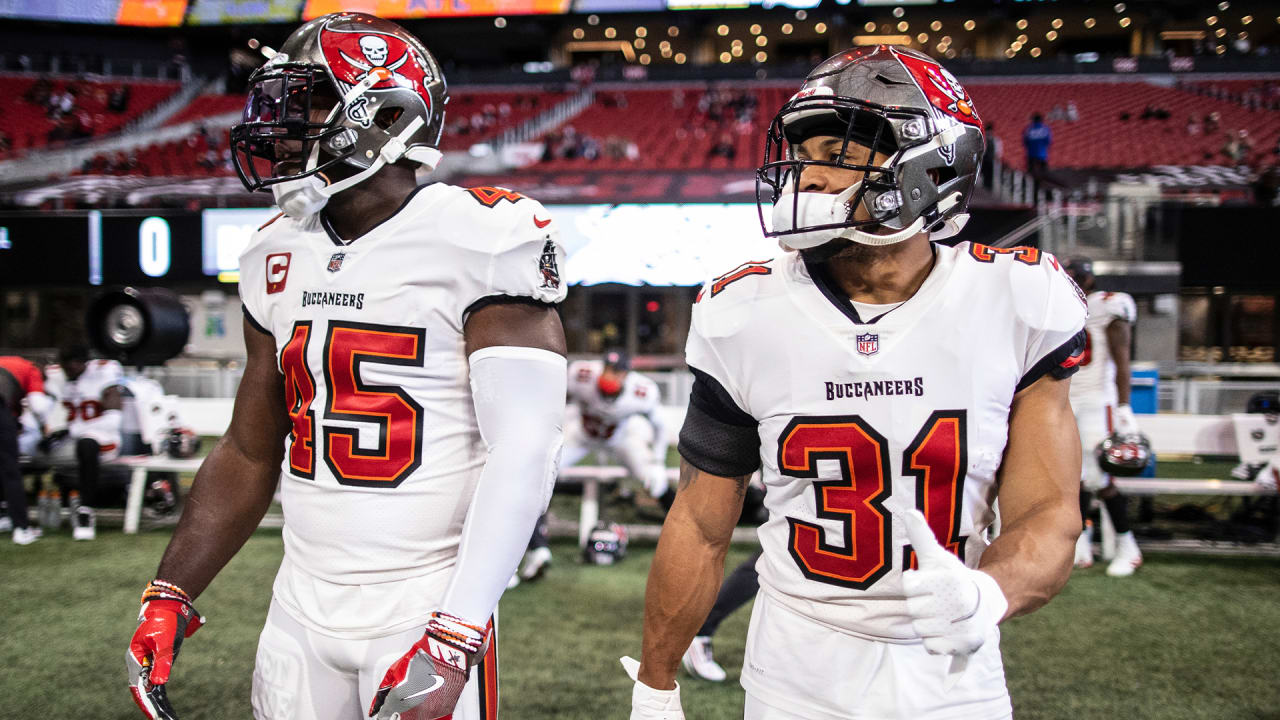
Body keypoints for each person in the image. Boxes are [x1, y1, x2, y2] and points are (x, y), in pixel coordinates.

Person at [125, 13, 567, 720]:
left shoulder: (483, 236)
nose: (280, 126)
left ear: (386, 114)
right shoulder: (274, 250)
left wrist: (455, 635)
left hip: (422, 600)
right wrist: (170, 590)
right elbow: (248, 447)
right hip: (300, 597)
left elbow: (526, 451)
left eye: (307, 104)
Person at [624, 45, 1086, 720]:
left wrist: (987, 595)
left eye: (836, 152)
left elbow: (1048, 514)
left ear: (931, 163)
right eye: (803, 152)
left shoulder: (1016, 300)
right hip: (794, 674)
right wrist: (655, 686)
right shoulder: (742, 311)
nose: (806, 175)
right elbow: (699, 522)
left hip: (955, 680)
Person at [514, 350, 669, 585]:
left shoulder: (642, 392)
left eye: (617, 372)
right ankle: (538, 548)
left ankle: (684, 534)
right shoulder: (581, 374)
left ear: (626, 375)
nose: (611, 375)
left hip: (620, 438)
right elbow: (552, 396)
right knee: (538, 475)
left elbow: (660, 427)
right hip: (582, 435)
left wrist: (657, 461)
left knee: (656, 481)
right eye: (608, 369)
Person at [1064, 258, 1144, 577]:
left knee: (1101, 477)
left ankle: (1128, 545)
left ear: (1088, 279)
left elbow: (1122, 360)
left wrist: (1124, 407)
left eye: (1077, 277)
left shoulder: (1108, 305)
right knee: (1077, 476)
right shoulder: (1059, 307)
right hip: (1069, 400)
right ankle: (1081, 542)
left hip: (1099, 400)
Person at [42, 346, 125, 541]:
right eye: (65, 364)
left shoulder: (103, 372)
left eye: (73, 364)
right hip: (69, 440)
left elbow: (114, 420)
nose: (69, 369)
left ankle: (86, 511)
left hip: (102, 438)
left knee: (87, 444)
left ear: (83, 363)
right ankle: (7, 509)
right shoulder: (57, 377)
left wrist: (69, 430)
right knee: (23, 446)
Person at [0, 355, 52, 544]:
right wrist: (48, 426)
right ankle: (22, 529)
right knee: (10, 470)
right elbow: (38, 406)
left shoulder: (8, 363)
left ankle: (3, 516)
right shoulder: (31, 369)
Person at [1023, 111, 1051, 181]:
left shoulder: (1028, 129)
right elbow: (1048, 141)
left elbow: (1025, 142)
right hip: (1042, 155)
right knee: (1044, 174)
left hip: (1031, 155)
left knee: (1031, 175)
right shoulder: (1045, 129)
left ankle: (1032, 188)